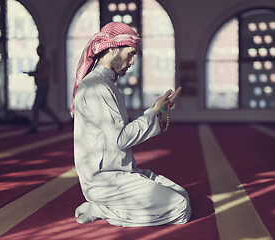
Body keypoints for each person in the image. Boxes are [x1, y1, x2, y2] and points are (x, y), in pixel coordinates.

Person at [72, 22, 191, 227]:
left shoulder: (107, 84)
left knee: (182, 194)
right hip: (105, 181)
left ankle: (106, 206)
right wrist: (154, 111)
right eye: (130, 54)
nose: (132, 61)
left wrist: (161, 110)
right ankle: (101, 207)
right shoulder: (96, 87)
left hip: (122, 174)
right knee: (180, 208)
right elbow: (121, 139)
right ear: (112, 50)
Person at [25, 44, 62, 134]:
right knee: (44, 107)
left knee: (35, 107)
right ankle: (59, 122)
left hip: (43, 87)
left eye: (39, 50)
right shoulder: (40, 61)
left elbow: (46, 74)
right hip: (41, 87)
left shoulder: (45, 61)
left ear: (42, 51)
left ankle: (34, 127)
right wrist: (33, 73)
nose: (38, 52)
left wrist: (35, 75)